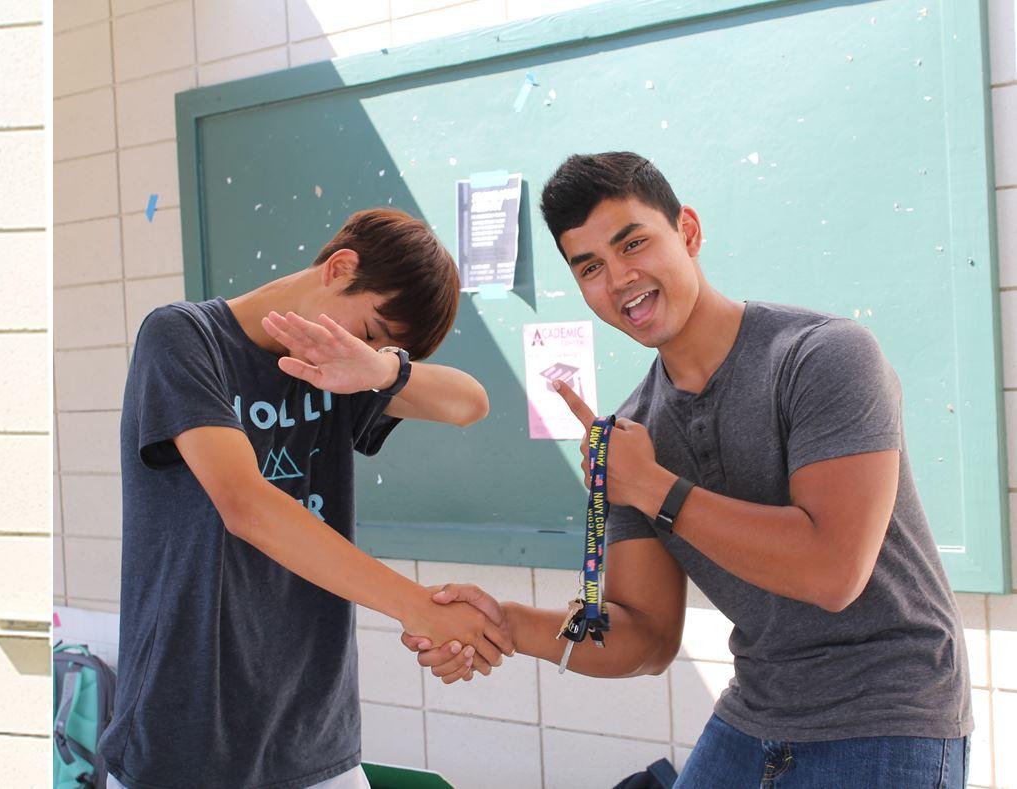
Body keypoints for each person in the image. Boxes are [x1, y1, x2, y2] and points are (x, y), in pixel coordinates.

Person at [411, 152, 972, 787]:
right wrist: (508, 624)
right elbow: (644, 638)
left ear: (689, 232)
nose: (620, 278)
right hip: (757, 709)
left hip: (889, 714)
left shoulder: (825, 356)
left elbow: (832, 570)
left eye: (634, 243)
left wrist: (650, 487)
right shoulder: (629, 436)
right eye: (590, 267)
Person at [102, 207, 513, 789]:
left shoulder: (344, 366)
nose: (365, 348)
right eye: (372, 330)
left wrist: (376, 367)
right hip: (185, 730)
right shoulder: (184, 339)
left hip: (316, 737)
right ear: (340, 267)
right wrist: (416, 606)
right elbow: (248, 507)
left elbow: (470, 402)